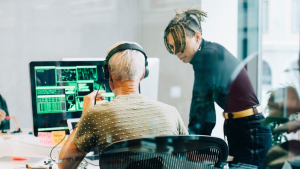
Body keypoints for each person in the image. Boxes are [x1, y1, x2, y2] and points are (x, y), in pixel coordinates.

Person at [163, 8, 272, 168]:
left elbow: (202, 108)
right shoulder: (206, 54)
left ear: (197, 37)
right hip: (242, 129)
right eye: (172, 47)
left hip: (250, 131)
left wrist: (193, 146)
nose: (176, 52)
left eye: (180, 44)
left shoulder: (208, 55)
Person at [58, 41, 188, 169]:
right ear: (143, 74)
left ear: (108, 74)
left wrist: (85, 115)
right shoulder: (172, 112)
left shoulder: (95, 114)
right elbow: (190, 158)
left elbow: (64, 165)